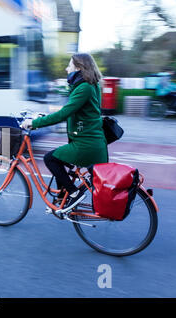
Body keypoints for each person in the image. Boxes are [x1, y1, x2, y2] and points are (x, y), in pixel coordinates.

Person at [21, 53, 108, 210]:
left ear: (78, 67)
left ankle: (74, 193)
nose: (66, 68)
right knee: (59, 158)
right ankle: (62, 199)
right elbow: (79, 112)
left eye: (69, 65)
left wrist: (34, 123)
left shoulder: (84, 88)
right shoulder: (91, 85)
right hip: (91, 141)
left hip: (85, 145)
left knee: (50, 159)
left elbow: (64, 113)